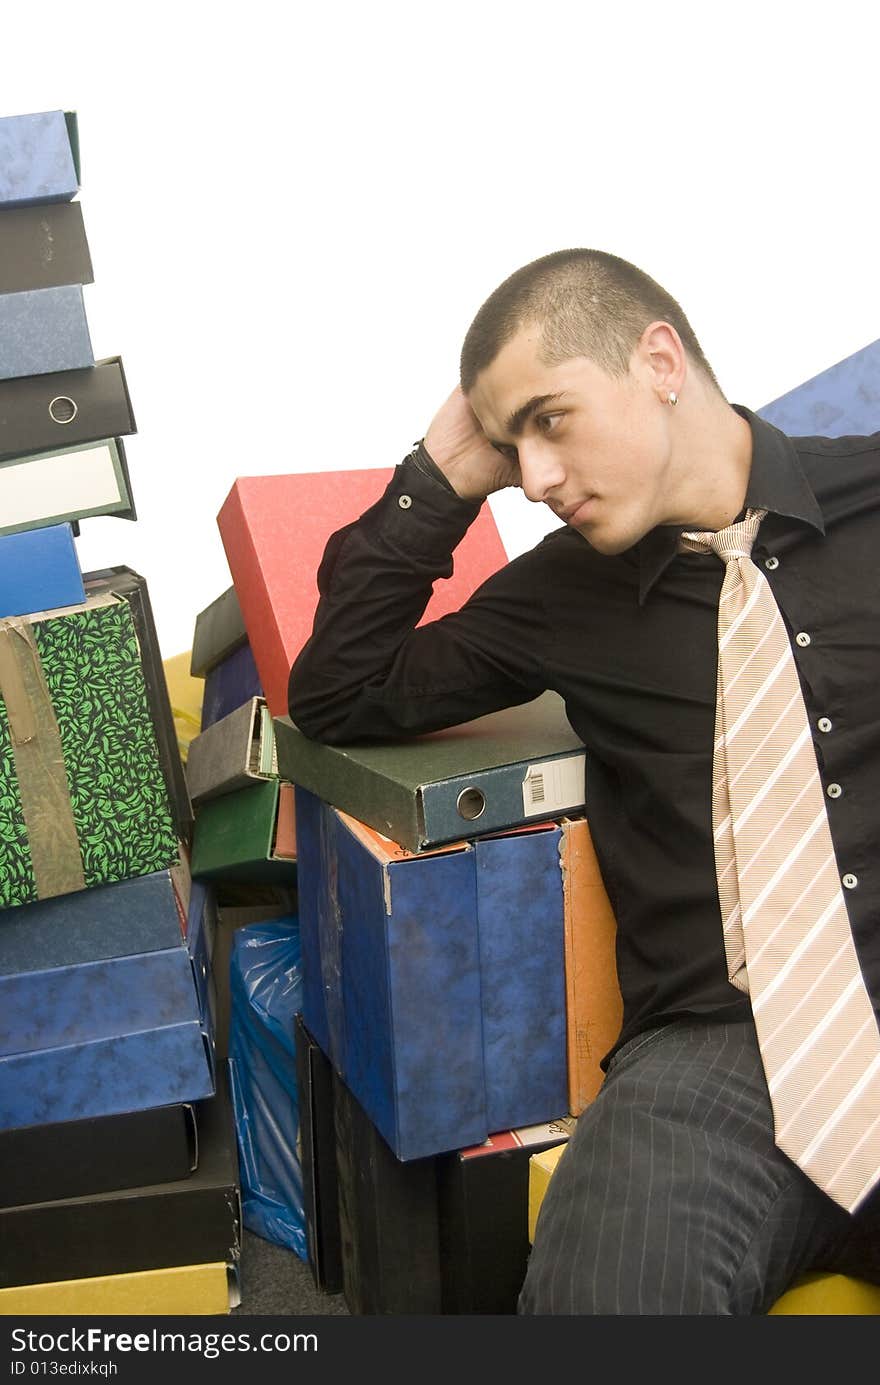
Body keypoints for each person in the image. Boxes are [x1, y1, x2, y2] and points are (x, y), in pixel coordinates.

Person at [288, 248, 880, 1314]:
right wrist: (438, 475)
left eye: (550, 421)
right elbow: (340, 691)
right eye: (510, 447)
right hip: (712, 1055)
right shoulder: (565, 591)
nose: (535, 477)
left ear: (658, 359)